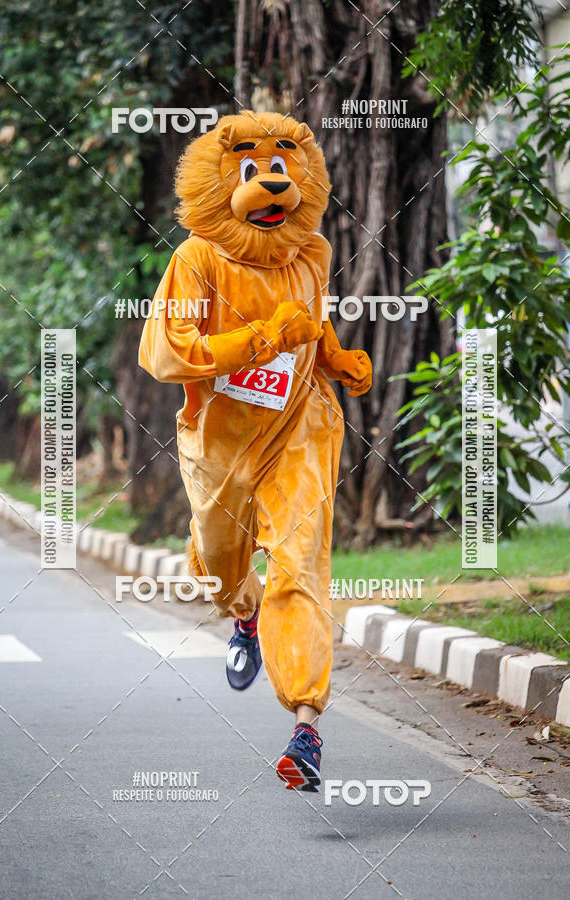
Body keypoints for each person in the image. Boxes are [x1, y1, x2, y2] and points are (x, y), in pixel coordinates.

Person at [139, 110, 372, 791]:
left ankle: (306, 727)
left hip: (302, 427)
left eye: (279, 170)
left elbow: (312, 321)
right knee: (220, 561)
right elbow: (169, 354)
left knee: (301, 561)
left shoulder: (313, 253)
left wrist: (334, 358)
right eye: (250, 171)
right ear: (218, 184)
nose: (269, 185)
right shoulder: (196, 261)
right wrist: (263, 338)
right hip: (219, 444)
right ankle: (243, 615)